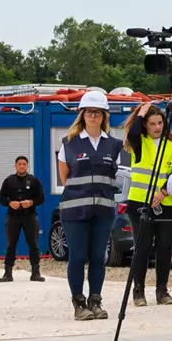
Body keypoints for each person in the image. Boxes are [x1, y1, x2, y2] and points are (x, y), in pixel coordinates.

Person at [57, 89, 121, 321]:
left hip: (103, 210)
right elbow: (65, 179)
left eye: (98, 112)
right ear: (82, 115)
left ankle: (95, 301)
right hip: (75, 211)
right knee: (77, 256)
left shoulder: (114, 145)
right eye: (89, 112)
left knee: (98, 257)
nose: (93, 116)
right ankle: (79, 303)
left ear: (104, 116)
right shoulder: (69, 144)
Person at [122, 100, 172, 304]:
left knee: (165, 247)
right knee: (143, 247)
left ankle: (162, 291)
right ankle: (138, 291)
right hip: (140, 203)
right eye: (152, 123)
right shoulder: (139, 142)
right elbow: (131, 133)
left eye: (160, 123)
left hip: (168, 203)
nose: (157, 127)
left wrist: (164, 192)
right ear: (145, 125)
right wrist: (143, 111)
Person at [0, 155, 45, 284]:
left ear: (27, 166)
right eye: (20, 164)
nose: (22, 166)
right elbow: (1, 198)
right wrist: (9, 203)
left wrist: (30, 202)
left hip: (29, 216)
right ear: (15, 166)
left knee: (33, 244)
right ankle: (8, 273)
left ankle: (35, 272)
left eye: (24, 164)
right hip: (13, 217)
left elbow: (41, 198)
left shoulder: (34, 181)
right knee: (11, 244)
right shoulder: (9, 181)